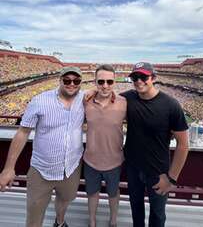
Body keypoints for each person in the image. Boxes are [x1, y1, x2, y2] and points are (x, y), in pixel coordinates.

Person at [0, 67, 85, 227]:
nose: (71, 84)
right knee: (34, 215)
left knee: (65, 200)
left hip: (71, 168)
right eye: (67, 80)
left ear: (80, 83)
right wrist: (9, 168)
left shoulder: (84, 98)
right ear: (59, 80)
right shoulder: (39, 100)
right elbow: (22, 133)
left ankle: (59, 222)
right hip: (42, 170)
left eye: (76, 81)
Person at [120, 62, 189, 227]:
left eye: (143, 77)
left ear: (153, 78)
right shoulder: (129, 97)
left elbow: (183, 145)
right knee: (136, 212)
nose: (138, 81)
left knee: (157, 216)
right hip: (133, 168)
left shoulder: (171, 105)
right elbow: (107, 96)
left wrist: (172, 178)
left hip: (159, 172)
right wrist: (93, 90)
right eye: (135, 77)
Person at [83, 64, 127, 227]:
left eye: (109, 81)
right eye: (101, 82)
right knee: (92, 194)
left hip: (114, 160)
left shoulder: (124, 103)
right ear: (95, 82)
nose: (105, 85)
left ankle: (113, 221)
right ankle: (92, 222)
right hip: (90, 160)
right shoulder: (86, 101)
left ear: (115, 82)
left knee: (113, 194)